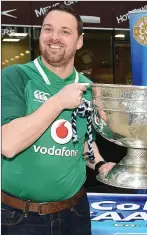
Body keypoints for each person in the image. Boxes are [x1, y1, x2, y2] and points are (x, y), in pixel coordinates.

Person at [1, 5, 115, 235]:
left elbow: (81, 140)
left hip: (75, 214)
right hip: (19, 217)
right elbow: (8, 144)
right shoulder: (16, 76)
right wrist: (58, 101)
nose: (54, 37)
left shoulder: (89, 88)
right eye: (48, 29)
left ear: (79, 41)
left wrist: (100, 164)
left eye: (65, 31)